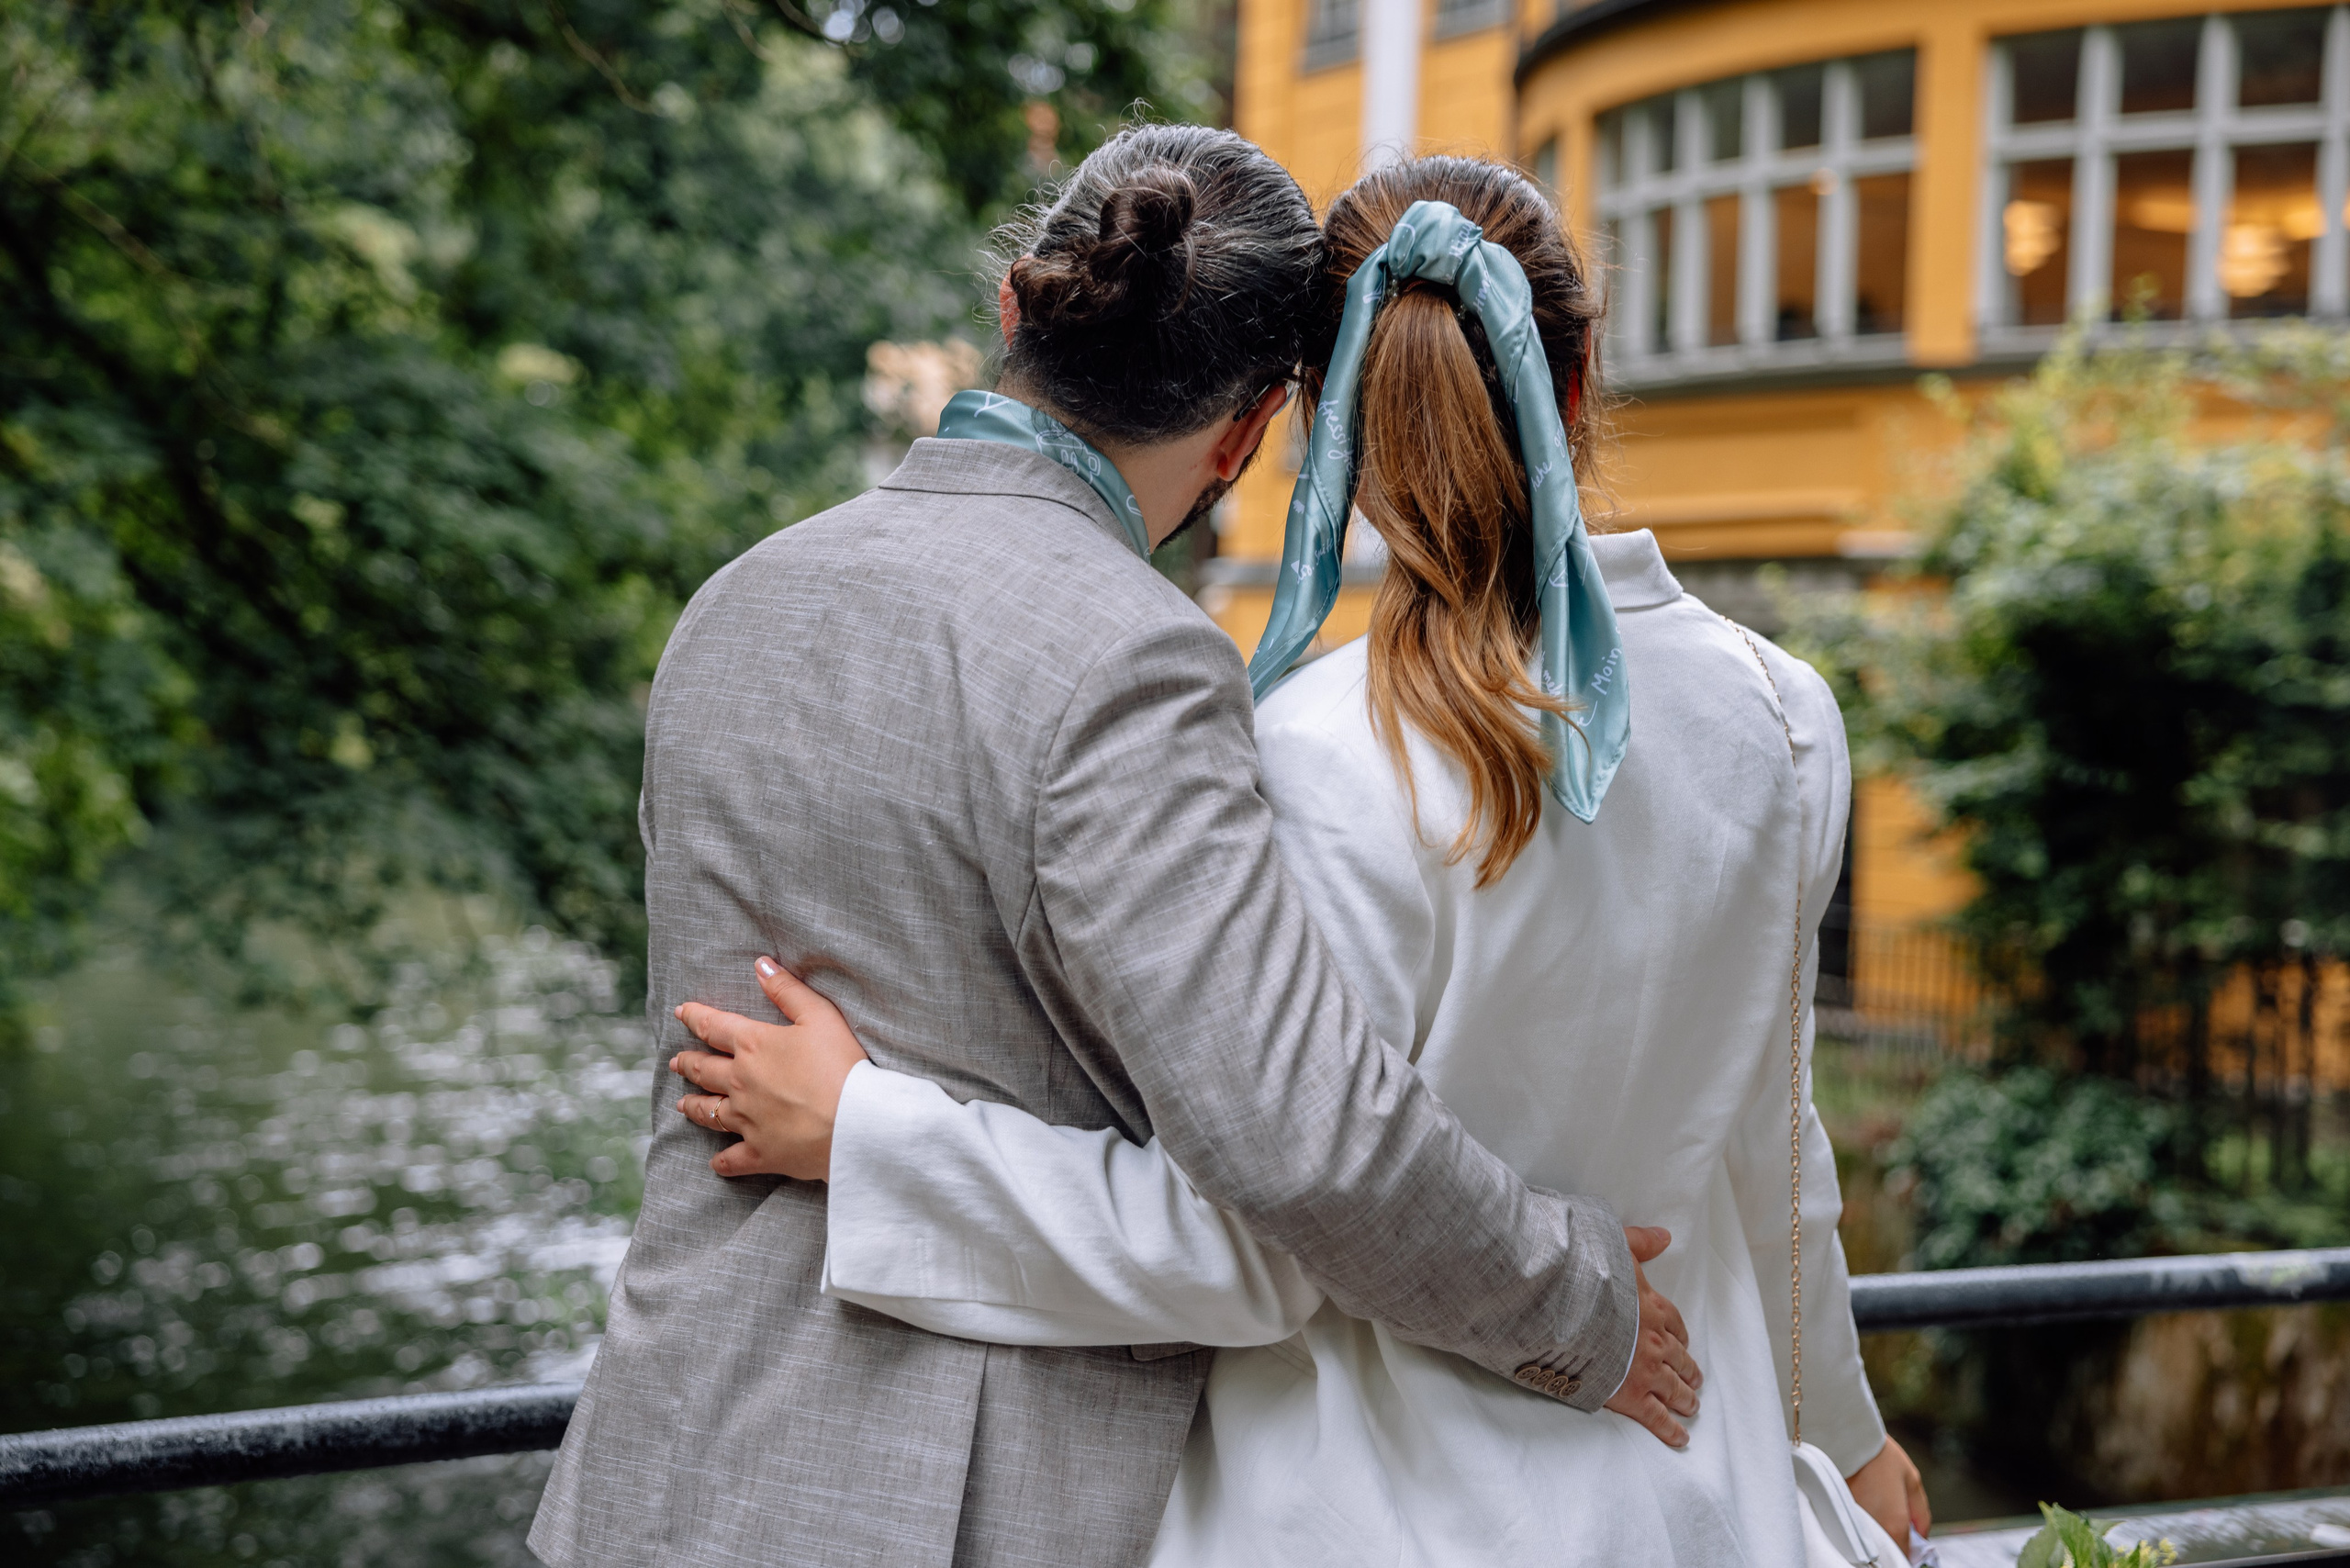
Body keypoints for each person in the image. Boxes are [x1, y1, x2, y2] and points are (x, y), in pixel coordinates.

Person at [664, 157, 1933, 1565]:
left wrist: (873, 1136)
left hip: (1368, 1516)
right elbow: (1778, 1153)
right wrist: (1849, 1441)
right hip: (1702, 1496)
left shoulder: (1311, 753)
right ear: (1579, 380)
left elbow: (1243, 1240)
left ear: (1317, 417)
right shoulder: (1783, 716)